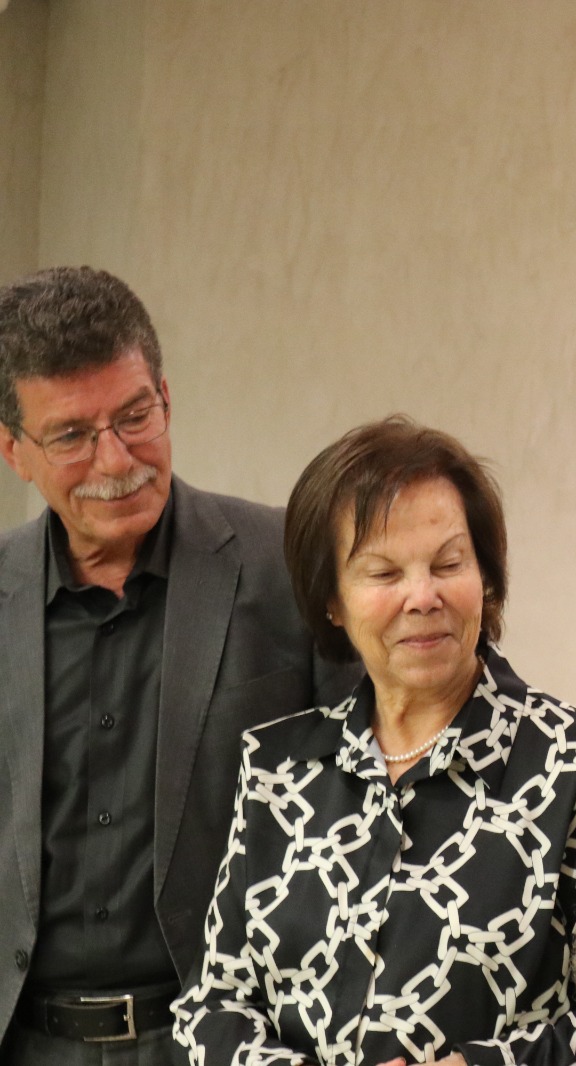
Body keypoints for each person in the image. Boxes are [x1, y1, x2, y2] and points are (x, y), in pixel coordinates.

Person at [171, 417, 576, 1066]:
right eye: (383, 573)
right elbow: (212, 1008)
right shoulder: (278, 767)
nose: (423, 597)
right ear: (331, 600)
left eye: (449, 564)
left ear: (485, 577)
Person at [0, 266, 347, 1064]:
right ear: (15, 450)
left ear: (165, 395)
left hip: (226, 1040)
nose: (115, 459)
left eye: (135, 416)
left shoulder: (289, 565)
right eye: (71, 436)